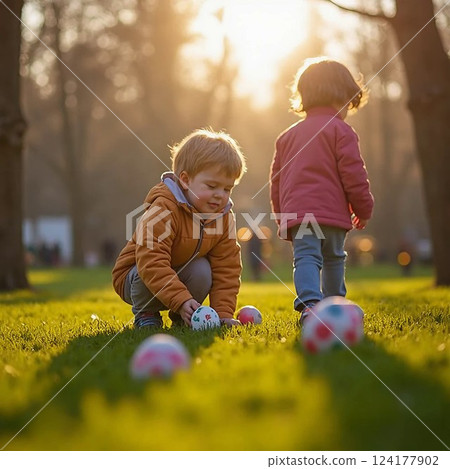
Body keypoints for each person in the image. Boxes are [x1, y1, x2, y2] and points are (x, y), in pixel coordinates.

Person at [269, 58, 374, 324]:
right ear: (342, 96)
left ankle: (309, 305)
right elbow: (354, 174)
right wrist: (363, 208)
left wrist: (283, 218)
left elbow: (277, 182)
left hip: (300, 215)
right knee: (334, 258)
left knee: (305, 257)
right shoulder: (342, 131)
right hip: (332, 213)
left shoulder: (286, 136)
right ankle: (335, 304)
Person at [113, 129, 246, 328]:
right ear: (185, 180)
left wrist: (223, 313)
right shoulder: (164, 209)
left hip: (178, 273)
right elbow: (151, 260)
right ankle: (146, 313)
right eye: (211, 186)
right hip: (135, 277)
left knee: (203, 270)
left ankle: (184, 317)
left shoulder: (223, 217)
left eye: (227, 189)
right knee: (147, 265)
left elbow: (227, 268)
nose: (220, 195)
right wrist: (180, 298)